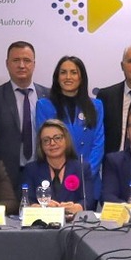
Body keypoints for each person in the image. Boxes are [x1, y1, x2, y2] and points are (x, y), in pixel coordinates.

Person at [36, 55, 106, 191]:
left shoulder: (96, 106)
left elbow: (98, 144)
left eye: (74, 72)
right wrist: (63, 176)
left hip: (88, 179)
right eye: (63, 72)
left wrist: (84, 175)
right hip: (56, 180)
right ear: (57, 77)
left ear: (81, 77)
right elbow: (45, 144)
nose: (68, 77)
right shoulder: (44, 106)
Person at [0, 40, 47, 180]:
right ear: (7, 64)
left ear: (34, 64)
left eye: (27, 60)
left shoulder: (49, 96)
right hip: (7, 175)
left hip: (43, 172)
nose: (21, 65)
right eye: (16, 60)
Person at [20, 119, 96, 214]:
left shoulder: (82, 168)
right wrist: (41, 207)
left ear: (66, 140)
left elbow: (88, 201)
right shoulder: (31, 169)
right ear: (41, 145)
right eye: (46, 140)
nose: (52, 143)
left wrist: (77, 207)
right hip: (42, 221)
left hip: (73, 221)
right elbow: (26, 201)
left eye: (57, 138)